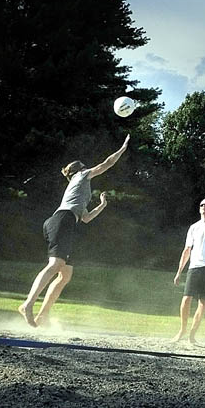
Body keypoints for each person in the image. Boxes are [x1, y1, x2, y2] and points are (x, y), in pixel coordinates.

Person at [18, 135, 130, 328]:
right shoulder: (80, 176)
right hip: (62, 220)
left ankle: (42, 316)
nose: (88, 168)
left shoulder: (81, 191)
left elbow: (85, 218)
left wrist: (102, 205)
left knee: (65, 275)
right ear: (79, 170)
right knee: (55, 265)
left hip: (66, 222)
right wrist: (122, 148)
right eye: (85, 166)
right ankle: (27, 305)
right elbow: (106, 164)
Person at [172, 198, 205, 345]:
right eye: (202, 205)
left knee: (203, 303)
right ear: (199, 208)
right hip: (194, 267)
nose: (204, 207)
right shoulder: (194, 227)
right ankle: (182, 330)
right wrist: (179, 272)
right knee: (186, 299)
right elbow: (187, 250)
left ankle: (192, 335)